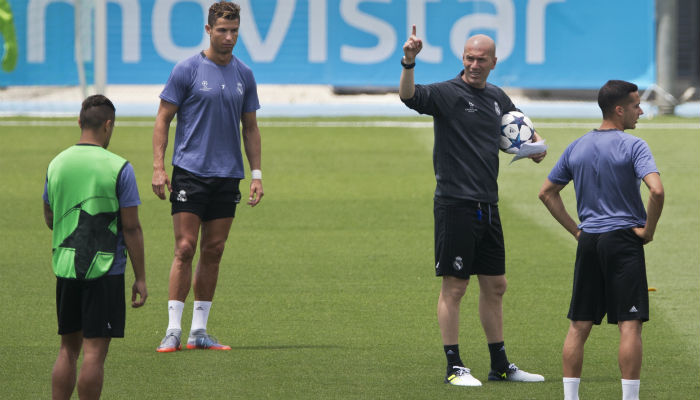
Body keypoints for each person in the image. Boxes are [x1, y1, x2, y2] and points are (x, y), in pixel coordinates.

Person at [399, 25, 546, 386]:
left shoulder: (497, 96)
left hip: (488, 205)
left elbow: (523, 130)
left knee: (495, 285)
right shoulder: (447, 94)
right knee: (455, 287)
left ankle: (500, 365)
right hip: (455, 205)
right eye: (469, 58)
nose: (474, 64)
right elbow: (408, 96)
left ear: (494, 62)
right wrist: (409, 61)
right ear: (461, 59)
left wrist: (534, 146)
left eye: (481, 59)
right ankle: (454, 366)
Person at [538, 80, 664, 400]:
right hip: (623, 242)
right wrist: (647, 231)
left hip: (590, 241)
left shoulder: (577, 146)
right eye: (636, 105)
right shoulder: (635, 146)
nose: (641, 110)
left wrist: (577, 231)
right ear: (619, 109)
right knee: (630, 323)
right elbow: (657, 190)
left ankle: (570, 398)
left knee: (579, 325)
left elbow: (547, 193)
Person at [153, 0, 263, 352]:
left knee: (213, 250)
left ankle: (198, 331)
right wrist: (158, 165)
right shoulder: (186, 69)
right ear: (208, 30)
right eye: (222, 31)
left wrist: (256, 173)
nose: (229, 37)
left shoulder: (244, 74)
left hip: (228, 174)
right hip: (190, 172)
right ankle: (173, 329)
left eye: (234, 31)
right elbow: (162, 119)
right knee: (185, 248)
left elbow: (250, 127)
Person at [43, 95, 148, 399]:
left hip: (66, 268)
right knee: (94, 354)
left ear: (79, 122)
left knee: (67, 349)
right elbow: (131, 227)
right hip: (105, 272)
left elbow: (51, 217)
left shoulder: (56, 164)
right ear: (108, 125)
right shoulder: (120, 168)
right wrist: (140, 277)